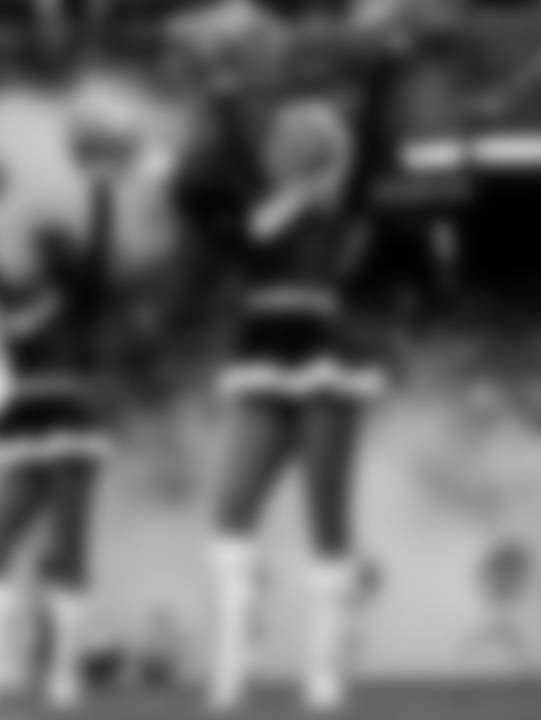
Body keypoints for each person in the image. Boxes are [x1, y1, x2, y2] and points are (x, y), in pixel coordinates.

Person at [201, 94, 390, 712]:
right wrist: (221, 89)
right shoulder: (261, 206)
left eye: (290, 135)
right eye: (274, 135)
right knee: (230, 511)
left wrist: (385, 63)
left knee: (325, 517)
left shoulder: (341, 206)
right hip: (260, 354)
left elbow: (372, 136)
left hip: (323, 353)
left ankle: (324, 678)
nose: (275, 143)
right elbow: (232, 157)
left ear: (318, 149)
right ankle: (232, 672)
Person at [0, 118, 128, 709]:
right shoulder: (11, 296)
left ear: (64, 255)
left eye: (52, 243)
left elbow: (101, 246)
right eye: (41, 243)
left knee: (70, 547)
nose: (42, 249)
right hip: (22, 422)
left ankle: (64, 674)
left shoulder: (83, 297)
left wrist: (100, 186)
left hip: (71, 417)